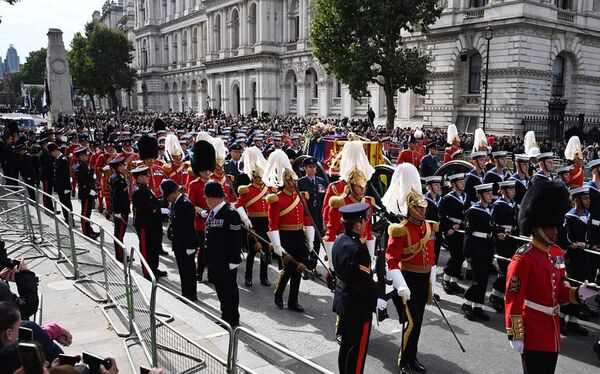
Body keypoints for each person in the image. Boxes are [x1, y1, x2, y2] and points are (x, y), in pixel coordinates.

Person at [505, 180, 600, 374]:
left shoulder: (556, 252)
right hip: (532, 331)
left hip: (552, 331)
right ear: (537, 227)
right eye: (551, 227)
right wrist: (516, 334)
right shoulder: (523, 258)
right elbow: (513, 299)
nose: (556, 231)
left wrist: (578, 293)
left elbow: (560, 289)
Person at [383, 163, 437, 374]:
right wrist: (401, 285)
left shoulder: (428, 227)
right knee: (411, 322)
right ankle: (403, 360)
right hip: (407, 280)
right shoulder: (399, 230)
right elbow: (391, 259)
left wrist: (432, 281)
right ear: (410, 208)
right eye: (419, 208)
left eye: (424, 208)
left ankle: (412, 357)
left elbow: (431, 257)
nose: (423, 211)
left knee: (418, 322)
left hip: (423, 281)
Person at [332, 203, 380, 374]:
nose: (366, 224)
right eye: (364, 221)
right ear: (357, 224)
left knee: (345, 345)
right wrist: (376, 300)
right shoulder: (358, 249)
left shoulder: (339, 240)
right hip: (357, 305)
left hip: (343, 300)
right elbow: (365, 282)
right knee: (357, 351)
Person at [264, 150, 314, 312]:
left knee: (299, 268)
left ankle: (293, 301)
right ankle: (279, 292)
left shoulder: (301, 196)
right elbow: (273, 224)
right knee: (289, 268)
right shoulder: (276, 199)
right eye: (291, 182)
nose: (294, 184)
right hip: (285, 236)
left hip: (299, 235)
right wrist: (277, 245)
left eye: (295, 181)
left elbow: (306, 218)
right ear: (285, 182)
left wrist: (311, 238)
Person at [204, 181, 243, 326]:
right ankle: (225, 315)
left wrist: (234, 259)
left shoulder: (230, 213)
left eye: (206, 198)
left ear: (213, 198)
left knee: (229, 290)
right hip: (215, 260)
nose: (206, 201)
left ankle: (233, 319)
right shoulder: (213, 212)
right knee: (220, 290)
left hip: (226, 260)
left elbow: (236, 239)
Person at [235, 147, 273, 287]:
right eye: (257, 177)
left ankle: (264, 277)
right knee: (252, 251)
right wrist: (245, 219)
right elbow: (238, 205)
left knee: (266, 249)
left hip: (266, 221)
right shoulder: (247, 190)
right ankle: (248, 276)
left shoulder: (268, 188)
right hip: (253, 222)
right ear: (253, 176)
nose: (260, 179)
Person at [560, 186, 592, 335]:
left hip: (585, 257)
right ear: (577, 200)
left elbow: (591, 235)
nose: (588, 201)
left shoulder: (588, 215)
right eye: (585, 198)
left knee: (584, 290)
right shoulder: (569, 217)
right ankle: (560, 318)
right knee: (574, 289)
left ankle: (573, 321)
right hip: (572, 258)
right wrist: (571, 243)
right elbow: (564, 236)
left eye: (588, 198)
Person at [462, 183, 496, 322]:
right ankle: (467, 304)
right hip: (476, 246)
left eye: (491, 193)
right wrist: (467, 253)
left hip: (487, 245)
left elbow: (493, 227)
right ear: (480, 195)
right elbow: (468, 233)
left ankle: (478, 306)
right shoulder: (473, 211)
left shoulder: (490, 209)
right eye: (487, 194)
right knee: (478, 278)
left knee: (484, 278)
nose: (490, 196)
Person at [162, 179, 198, 301]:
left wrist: (190, 246)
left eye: (167, 196)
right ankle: (185, 293)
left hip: (186, 244)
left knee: (189, 270)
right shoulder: (175, 203)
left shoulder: (185, 204)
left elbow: (189, 227)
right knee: (183, 269)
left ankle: (191, 295)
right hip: (178, 243)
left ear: (174, 193)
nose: (167, 199)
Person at [187, 140, 216, 283]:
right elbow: (190, 203)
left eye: (208, 169)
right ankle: (199, 273)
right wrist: (200, 211)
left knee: (212, 249)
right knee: (203, 250)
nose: (206, 172)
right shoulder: (194, 184)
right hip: (200, 222)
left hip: (214, 220)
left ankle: (211, 274)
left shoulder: (214, 183)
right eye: (204, 170)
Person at [131, 166, 167, 280]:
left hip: (154, 224)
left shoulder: (146, 189)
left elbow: (154, 204)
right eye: (146, 175)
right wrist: (158, 208)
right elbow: (150, 208)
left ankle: (154, 268)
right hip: (145, 225)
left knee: (155, 248)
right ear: (140, 177)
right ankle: (147, 272)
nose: (149, 177)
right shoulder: (138, 192)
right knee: (147, 249)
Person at [489, 180, 519, 312]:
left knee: (510, 269)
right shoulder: (497, 205)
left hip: (512, 240)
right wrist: (498, 232)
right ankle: (495, 294)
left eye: (513, 189)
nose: (513, 192)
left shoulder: (514, 205)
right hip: (501, 240)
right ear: (503, 191)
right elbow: (492, 223)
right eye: (511, 190)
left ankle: (500, 295)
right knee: (504, 269)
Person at [440, 173, 468, 295]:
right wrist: (449, 227)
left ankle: (454, 281)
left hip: (462, 230)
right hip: (452, 231)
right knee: (455, 255)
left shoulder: (466, 196)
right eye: (460, 182)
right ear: (453, 184)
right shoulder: (447, 198)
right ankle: (446, 279)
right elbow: (441, 216)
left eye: (463, 181)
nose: (463, 184)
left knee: (461, 256)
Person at [297, 157, 327, 273]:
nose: (313, 169)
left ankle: (313, 266)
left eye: (314, 167)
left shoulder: (321, 182)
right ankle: (305, 267)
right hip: (307, 218)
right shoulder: (300, 183)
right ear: (305, 168)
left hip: (318, 217)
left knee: (317, 243)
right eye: (310, 167)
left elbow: (324, 200)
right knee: (307, 243)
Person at [73, 148, 98, 239]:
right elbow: (82, 181)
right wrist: (89, 191)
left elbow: (88, 178)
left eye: (86, 155)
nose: (86, 156)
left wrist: (91, 171)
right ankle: (86, 231)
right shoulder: (79, 166)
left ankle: (89, 229)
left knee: (88, 212)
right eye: (84, 155)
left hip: (89, 191)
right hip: (86, 193)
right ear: (79, 157)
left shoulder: (84, 165)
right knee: (85, 213)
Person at [108, 157, 130, 262]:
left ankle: (120, 253)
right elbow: (115, 197)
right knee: (119, 233)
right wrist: (117, 212)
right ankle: (120, 256)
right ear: (119, 167)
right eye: (123, 165)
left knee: (119, 233)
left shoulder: (119, 176)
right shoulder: (117, 179)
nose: (124, 167)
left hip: (122, 209)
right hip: (120, 210)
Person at [48, 143, 72, 221]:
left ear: (55, 151)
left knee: (67, 204)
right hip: (60, 187)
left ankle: (69, 220)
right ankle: (67, 218)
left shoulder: (63, 160)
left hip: (64, 187)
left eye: (51, 152)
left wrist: (67, 187)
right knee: (63, 204)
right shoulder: (58, 159)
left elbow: (66, 175)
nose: (51, 155)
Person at [423, 176, 443, 265]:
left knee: (436, 253)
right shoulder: (424, 200)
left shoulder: (441, 200)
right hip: (427, 231)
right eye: (436, 185)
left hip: (437, 231)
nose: (438, 187)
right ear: (429, 187)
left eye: (439, 185)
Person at [38, 135, 55, 211]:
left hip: (49, 175)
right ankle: (46, 207)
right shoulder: (43, 154)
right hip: (46, 175)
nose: (47, 145)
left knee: (49, 192)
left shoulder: (47, 153)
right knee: (47, 192)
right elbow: (46, 165)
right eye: (46, 144)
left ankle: (50, 207)